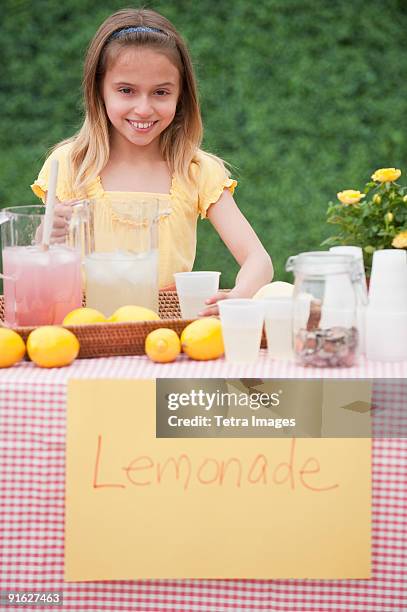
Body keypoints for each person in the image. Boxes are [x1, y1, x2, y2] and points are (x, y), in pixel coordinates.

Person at [31, 8, 273, 315]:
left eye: (160, 92)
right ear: (99, 92)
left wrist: (240, 294)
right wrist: (45, 235)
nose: (143, 109)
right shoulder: (70, 165)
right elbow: (44, 260)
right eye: (126, 91)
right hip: (84, 326)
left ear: (181, 96)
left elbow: (259, 260)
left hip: (168, 330)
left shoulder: (196, 170)